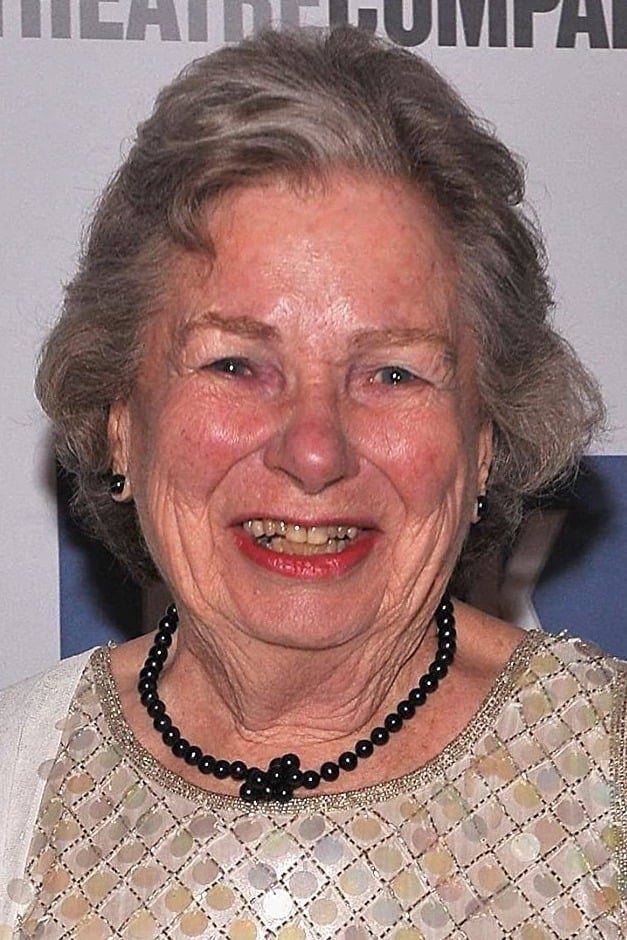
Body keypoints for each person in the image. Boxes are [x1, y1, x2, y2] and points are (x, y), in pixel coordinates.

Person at [0, 25, 621, 939]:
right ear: (120, 420)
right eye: (235, 364)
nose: (316, 451)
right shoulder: (15, 775)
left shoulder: (607, 769)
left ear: (484, 441)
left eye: (393, 373)